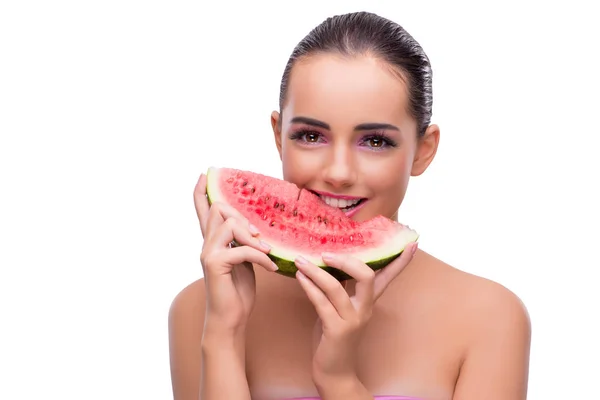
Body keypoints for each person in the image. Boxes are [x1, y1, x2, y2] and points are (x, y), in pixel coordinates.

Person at [168, 11, 531, 400]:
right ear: (278, 136)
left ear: (423, 152)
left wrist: (338, 378)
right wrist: (224, 336)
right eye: (310, 136)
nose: (339, 172)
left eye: (375, 141)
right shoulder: (199, 310)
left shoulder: (491, 318)